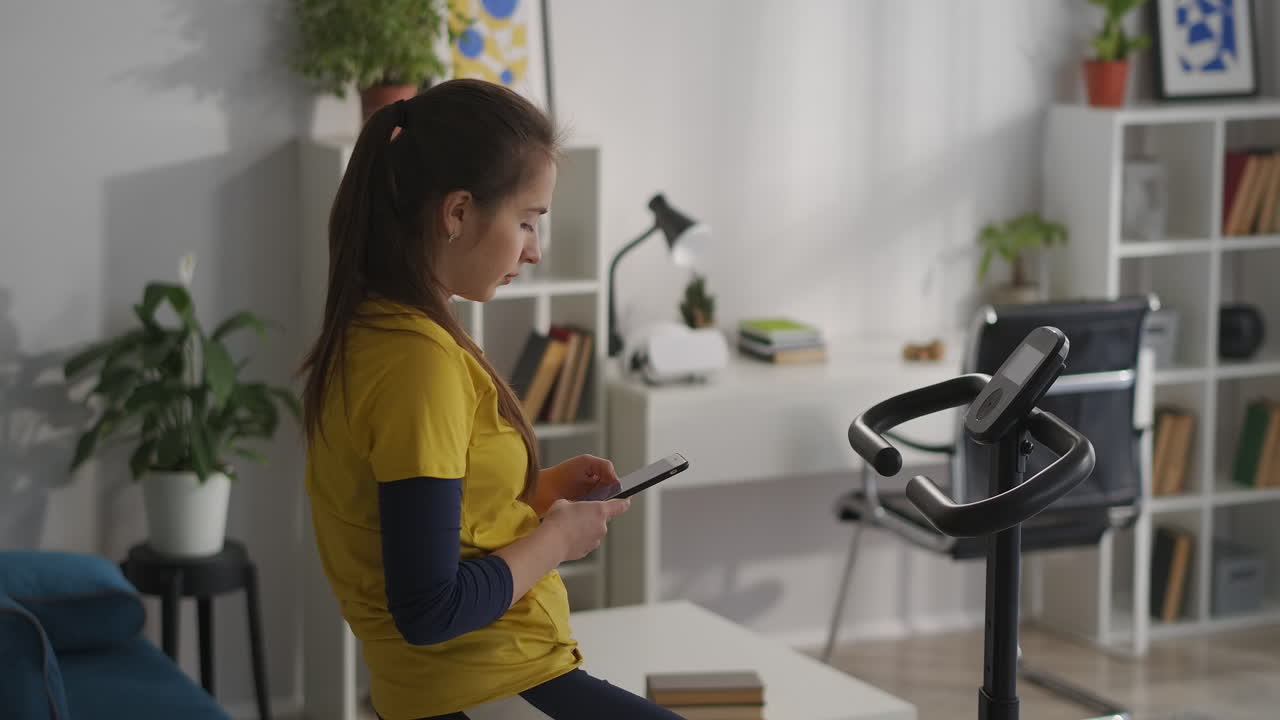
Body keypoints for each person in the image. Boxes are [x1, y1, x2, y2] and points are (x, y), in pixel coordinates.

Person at [300, 79, 683, 720]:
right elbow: (429, 609)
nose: (534, 250)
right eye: (527, 220)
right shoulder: (418, 364)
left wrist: (534, 497)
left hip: (483, 680)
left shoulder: (382, 330)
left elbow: (431, 526)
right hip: (480, 687)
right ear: (457, 213)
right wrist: (556, 540)